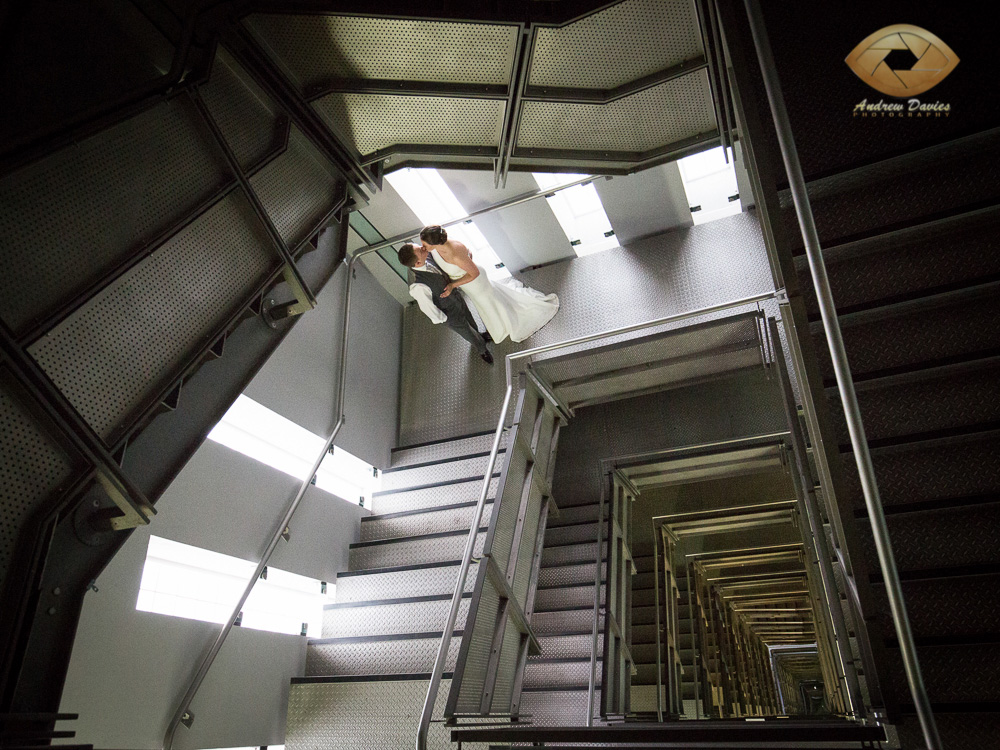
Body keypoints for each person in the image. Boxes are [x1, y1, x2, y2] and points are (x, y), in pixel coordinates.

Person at [418, 225, 559, 344]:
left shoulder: (454, 252)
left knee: (488, 305)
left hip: (475, 283)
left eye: (425, 245)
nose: (423, 248)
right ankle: (496, 327)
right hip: (468, 282)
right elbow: (468, 252)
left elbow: (474, 273)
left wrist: (452, 285)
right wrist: (467, 258)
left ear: (435, 243)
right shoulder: (438, 248)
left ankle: (501, 327)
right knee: (486, 305)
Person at [397, 242, 494, 365]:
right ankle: (482, 349)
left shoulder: (428, 255)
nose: (423, 248)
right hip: (447, 312)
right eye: (420, 250)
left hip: (454, 296)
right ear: (417, 263)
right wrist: (444, 318)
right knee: (466, 331)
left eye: (419, 247)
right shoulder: (417, 286)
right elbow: (427, 308)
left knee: (468, 316)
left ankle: (480, 335)